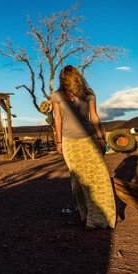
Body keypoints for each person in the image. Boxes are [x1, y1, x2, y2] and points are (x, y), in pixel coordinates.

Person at [50, 65, 117, 230]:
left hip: (89, 139)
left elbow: (94, 117)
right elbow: (57, 119)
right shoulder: (57, 95)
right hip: (69, 142)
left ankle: (97, 218)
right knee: (78, 179)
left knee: (98, 177)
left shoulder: (89, 94)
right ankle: (85, 213)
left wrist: (101, 138)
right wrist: (59, 142)